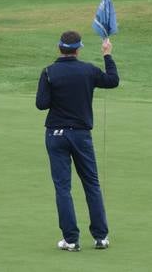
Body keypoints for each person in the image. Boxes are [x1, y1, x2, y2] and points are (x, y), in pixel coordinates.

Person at [36, 29, 119, 252]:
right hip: (81, 136)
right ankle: (100, 237)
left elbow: (41, 104)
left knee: (63, 187)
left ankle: (71, 240)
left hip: (55, 135)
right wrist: (107, 55)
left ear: (59, 48)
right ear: (78, 49)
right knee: (91, 184)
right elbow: (113, 81)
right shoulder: (88, 71)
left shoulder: (48, 72)